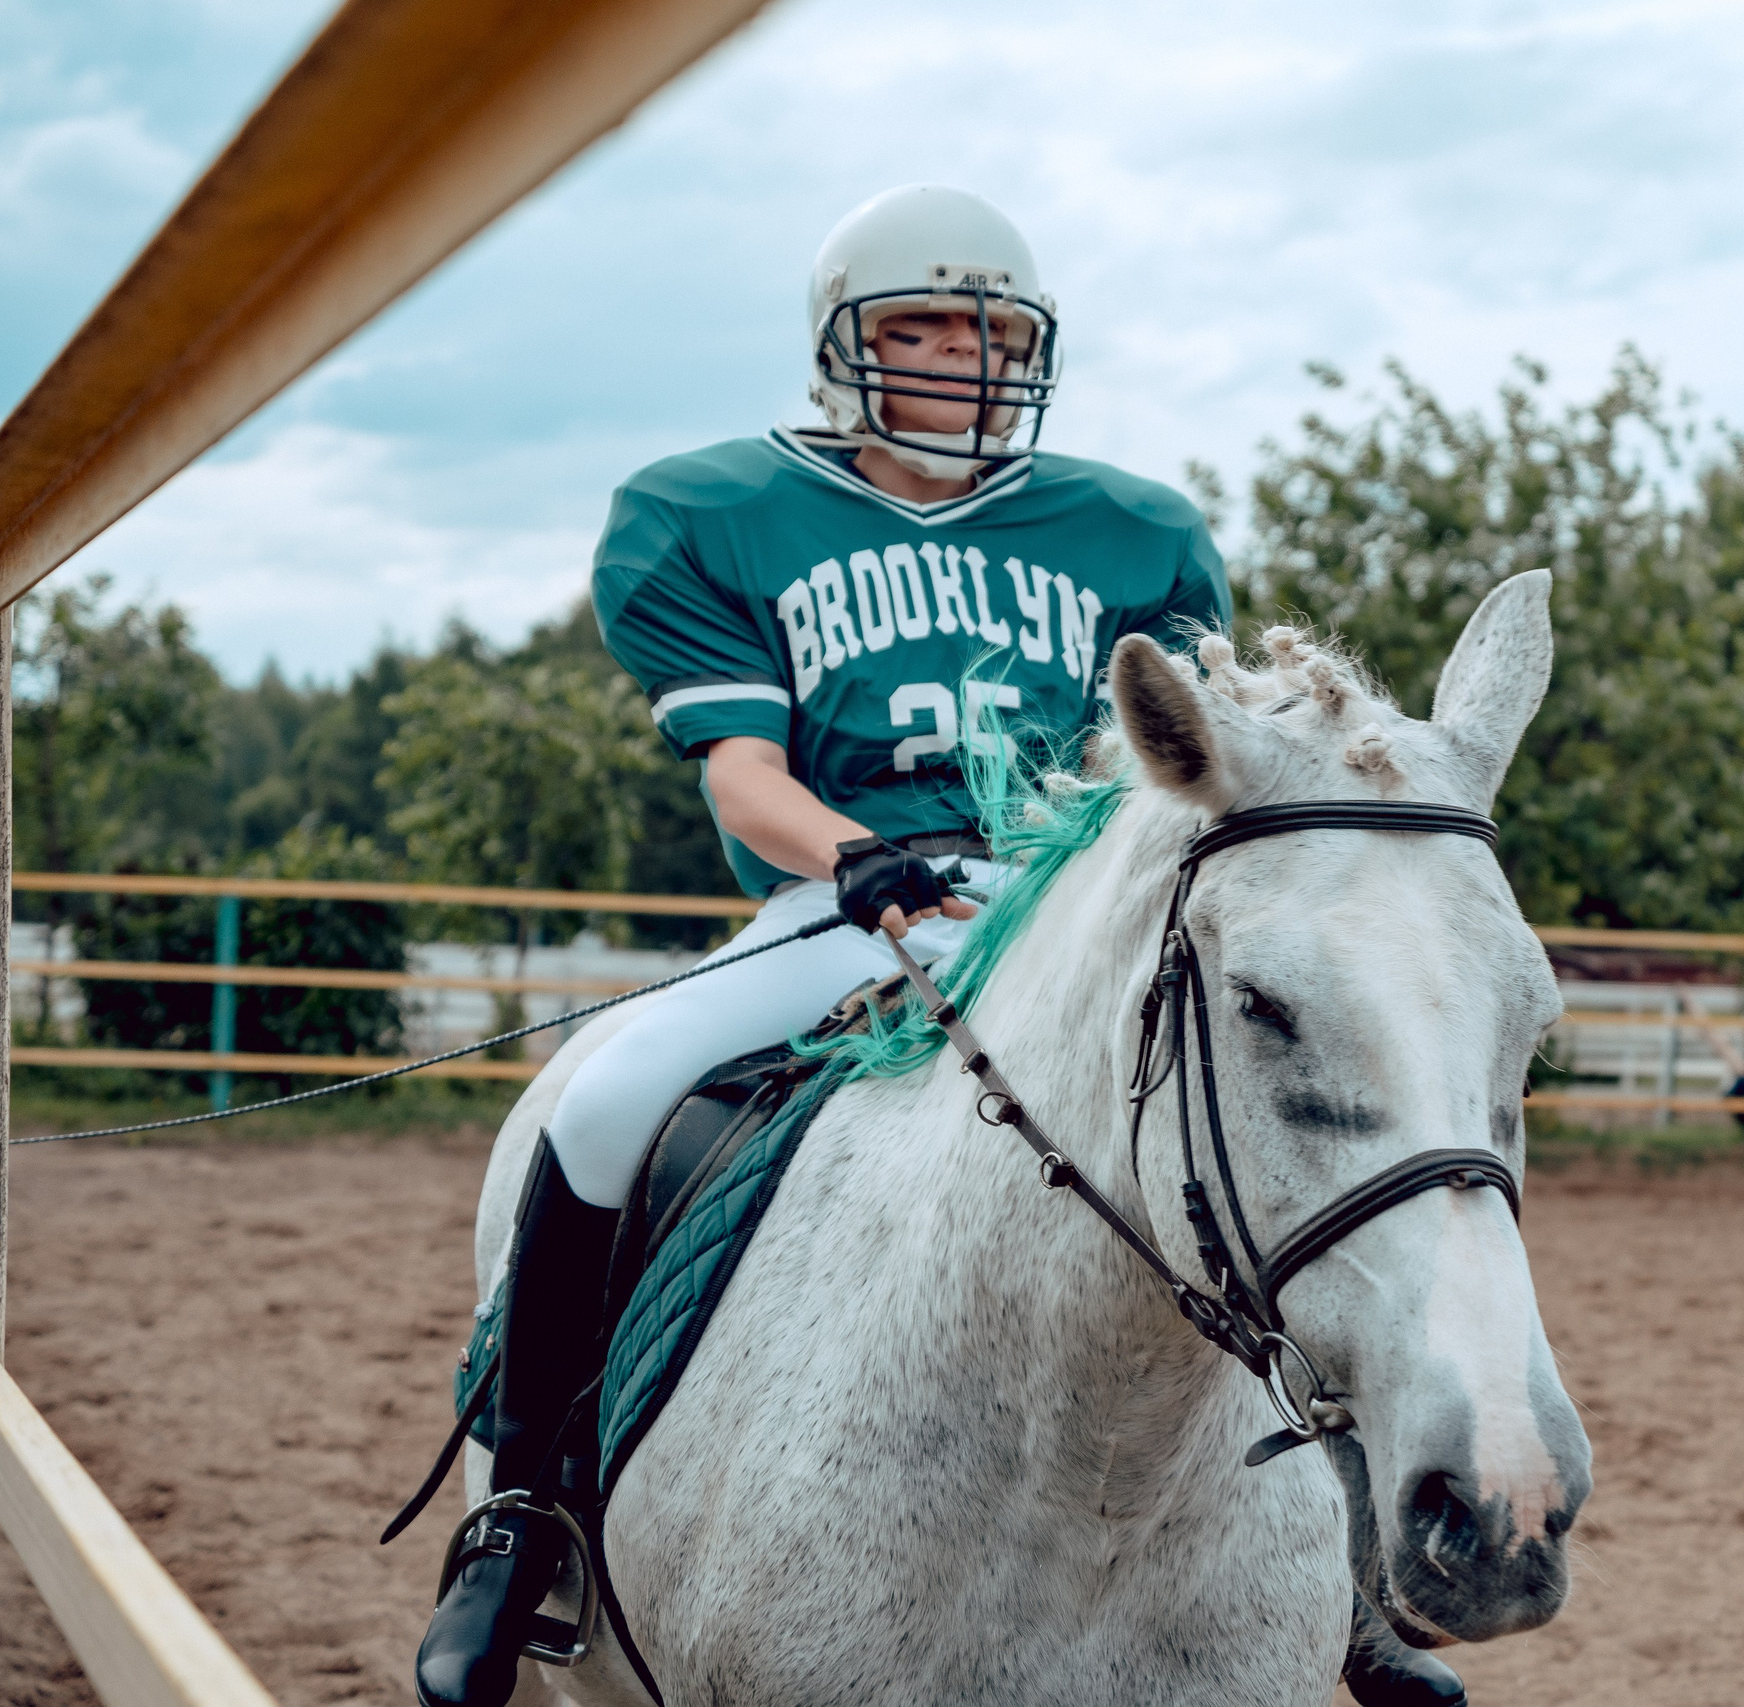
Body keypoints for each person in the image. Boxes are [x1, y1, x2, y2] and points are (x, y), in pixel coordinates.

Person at [414, 186, 1461, 1707]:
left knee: (1264, 1127)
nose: (966, 362)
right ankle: (519, 1507)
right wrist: (854, 854)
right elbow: (741, 774)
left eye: (994, 333)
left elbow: (1171, 768)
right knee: (598, 1100)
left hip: (1074, 912)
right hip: (845, 897)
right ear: (847, 345)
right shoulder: (711, 509)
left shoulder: (1134, 529)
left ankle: (1349, 1561)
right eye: (922, 327)